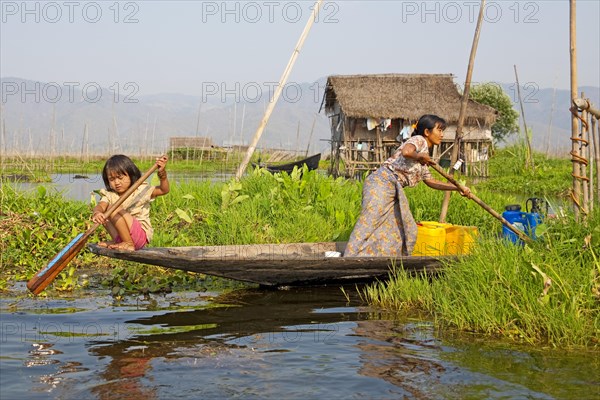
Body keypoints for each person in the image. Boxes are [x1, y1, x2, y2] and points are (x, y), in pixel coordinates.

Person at [344, 114, 471, 257]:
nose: (442, 135)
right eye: (439, 130)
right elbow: (406, 152)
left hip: (393, 189)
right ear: (427, 132)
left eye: (443, 131)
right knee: (369, 222)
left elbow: (430, 181)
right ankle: (349, 256)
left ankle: (375, 258)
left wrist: (457, 187)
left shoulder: (425, 155)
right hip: (381, 182)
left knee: (404, 228)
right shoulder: (419, 140)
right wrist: (419, 157)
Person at [92, 155, 170, 251]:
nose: (116, 182)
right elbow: (101, 206)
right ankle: (118, 241)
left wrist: (163, 176)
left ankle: (128, 243)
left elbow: (163, 190)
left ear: (131, 175)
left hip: (139, 237)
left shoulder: (141, 190)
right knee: (105, 215)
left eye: (120, 178)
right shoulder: (110, 195)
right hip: (121, 237)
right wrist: (97, 213)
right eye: (112, 179)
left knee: (114, 208)